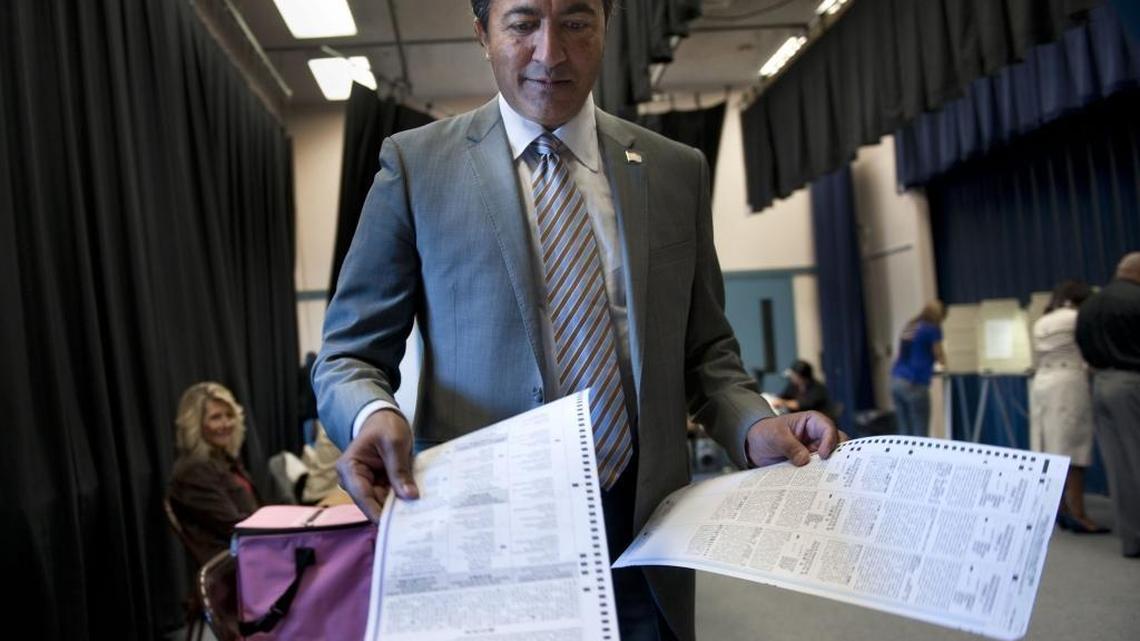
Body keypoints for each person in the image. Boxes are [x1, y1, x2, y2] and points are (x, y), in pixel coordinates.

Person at [312, 1, 844, 639]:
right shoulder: (416, 167)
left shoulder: (676, 171)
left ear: (606, 25)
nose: (550, 53)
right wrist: (373, 413)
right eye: (522, 24)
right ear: (482, 31)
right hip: (491, 541)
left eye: (575, 22)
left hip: (650, 541)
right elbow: (348, 357)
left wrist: (754, 423)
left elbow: (705, 353)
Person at [1030, 280, 1108, 534]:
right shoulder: (1076, 317)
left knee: (1051, 447)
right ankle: (1079, 513)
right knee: (1074, 448)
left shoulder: (1043, 320)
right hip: (1069, 383)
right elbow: (1091, 352)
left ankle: (1060, 508)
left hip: (1043, 383)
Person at [1076, 252, 1140, 558]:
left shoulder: (1089, 305)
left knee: (1119, 467)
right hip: (1133, 383)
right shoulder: (1136, 300)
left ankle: (1132, 539)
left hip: (1100, 385)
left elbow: (1083, 348)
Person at [167, 382, 259, 565]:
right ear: (195, 424)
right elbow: (234, 526)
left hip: (253, 555)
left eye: (230, 415)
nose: (226, 424)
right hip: (235, 569)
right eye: (216, 417)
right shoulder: (193, 471)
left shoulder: (223, 460)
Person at [890, 300, 946, 436]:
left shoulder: (911, 325)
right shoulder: (931, 328)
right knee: (920, 434)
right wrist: (945, 364)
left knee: (905, 433)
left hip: (896, 380)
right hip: (914, 382)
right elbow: (938, 353)